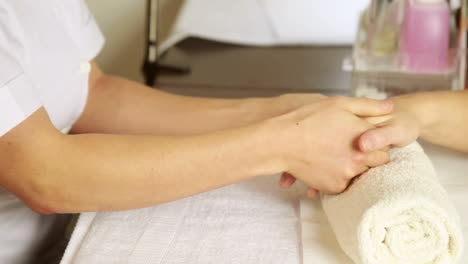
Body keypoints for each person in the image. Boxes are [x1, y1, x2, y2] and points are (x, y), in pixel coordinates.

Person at [0, 1, 395, 263]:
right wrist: (284, 143)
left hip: (58, 242)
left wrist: (278, 112)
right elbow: (47, 176)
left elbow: (92, 93)